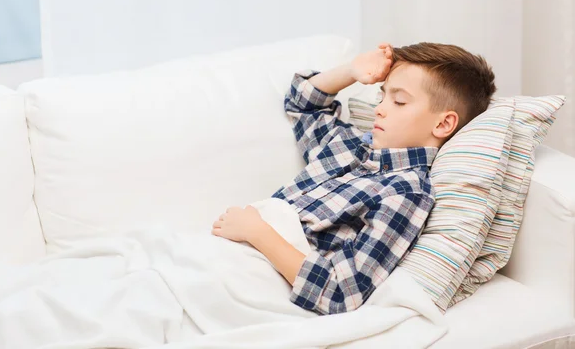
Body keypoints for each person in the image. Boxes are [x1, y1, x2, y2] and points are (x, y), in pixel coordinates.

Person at [211, 42, 497, 315]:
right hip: (226, 252)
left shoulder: (406, 194)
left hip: (259, 272)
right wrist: (351, 72)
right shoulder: (347, 144)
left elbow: (341, 293)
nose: (380, 108)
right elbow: (303, 103)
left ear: (443, 123)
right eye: (382, 96)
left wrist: (258, 232)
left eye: (398, 101)